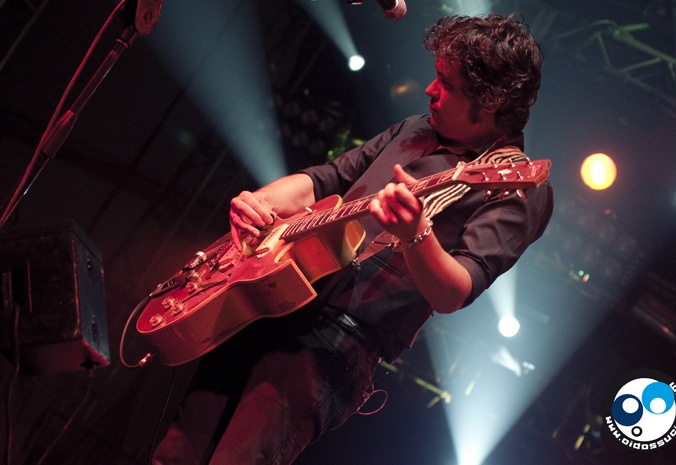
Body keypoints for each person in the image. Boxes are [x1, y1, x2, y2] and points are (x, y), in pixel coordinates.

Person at [152, 12, 553, 465]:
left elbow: (455, 290)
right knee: (174, 454)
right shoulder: (413, 129)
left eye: (448, 84)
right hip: (267, 299)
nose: (429, 90)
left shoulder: (514, 186)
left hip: (334, 342)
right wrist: (260, 204)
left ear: (491, 100)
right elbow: (325, 180)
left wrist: (416, 233)